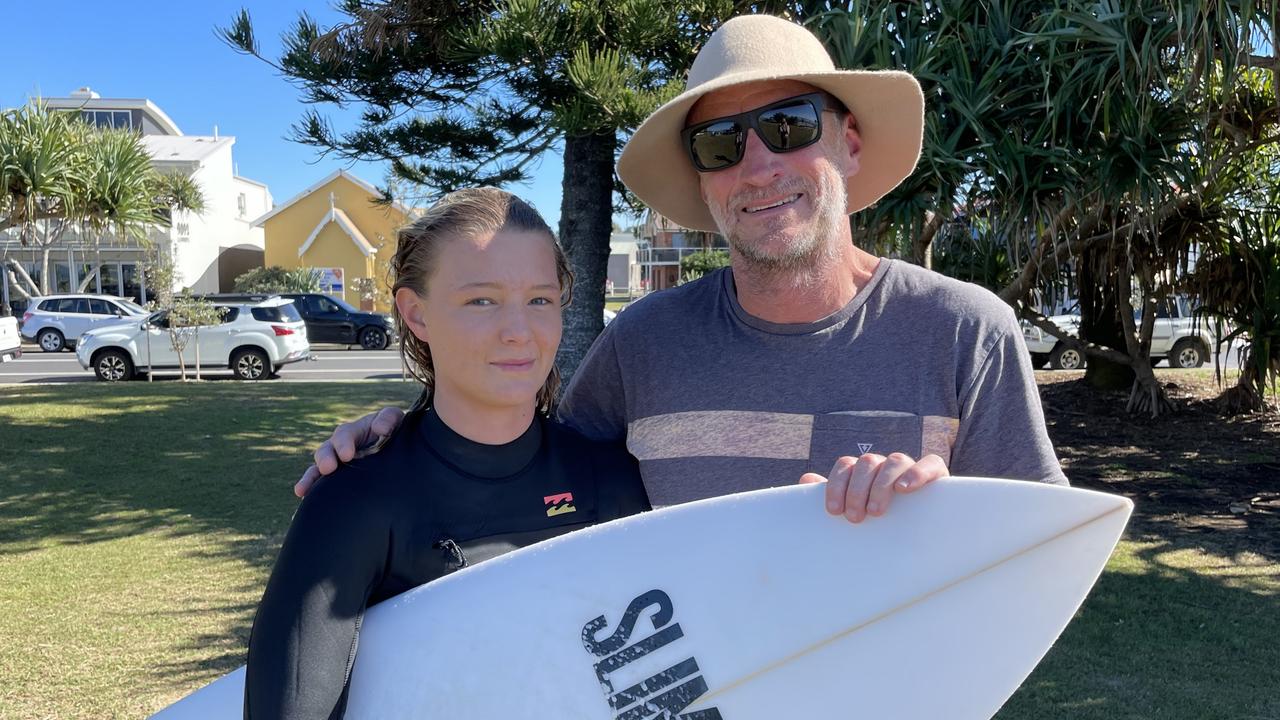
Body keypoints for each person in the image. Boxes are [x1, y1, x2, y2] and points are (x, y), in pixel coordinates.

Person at [297, 14, 1066, 523]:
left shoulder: (967, 333)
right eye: (720, 143)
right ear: (703, 180)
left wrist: (944, 518)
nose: (758, 164)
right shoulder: (645, 342)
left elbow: (1041, 555)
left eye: (789, 124)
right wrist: (404, 440)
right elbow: (524, 470)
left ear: (850, 143)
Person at [244, 188, 650, 719]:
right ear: (415, 314)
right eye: (481, 300)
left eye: (540, 300)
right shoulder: (354, 503)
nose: (518, 331)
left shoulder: (610, 476)